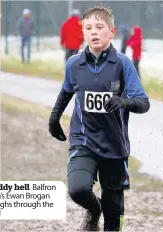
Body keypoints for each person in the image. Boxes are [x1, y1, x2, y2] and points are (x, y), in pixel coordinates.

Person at [49, 5, 150, 231]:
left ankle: (108, 216)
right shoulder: (74, 64)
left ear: (111, 32)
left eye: (99, 27)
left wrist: (123, 101)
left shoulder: (123, 64)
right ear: (83, 32)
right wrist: (54, 118)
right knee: (77, 189)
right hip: (83, 140)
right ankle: (94, 211)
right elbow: (66, 92)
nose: (93, 32)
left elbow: (144, 103)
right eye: (88, 28)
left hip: (115, 145)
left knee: (113, 222)